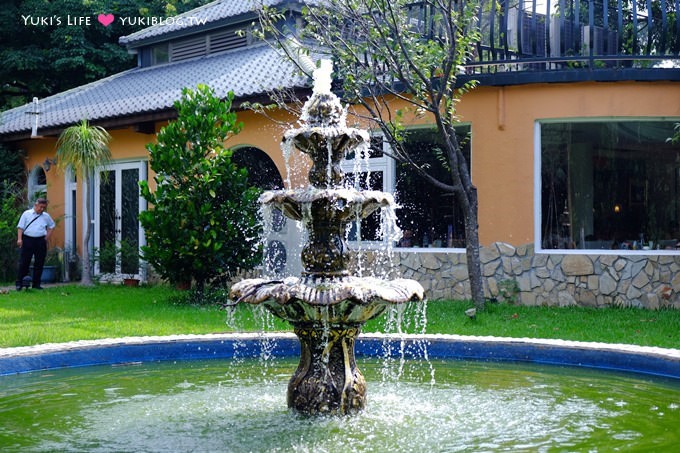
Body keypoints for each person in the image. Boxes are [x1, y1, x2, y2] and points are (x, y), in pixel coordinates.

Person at [16, 198, 56, 290]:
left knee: (39, 262)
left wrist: (46, 237)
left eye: (44, 208)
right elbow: (20, 227)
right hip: (27, 239)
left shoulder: (46, 216)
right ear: (36, 205)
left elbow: (52, 226)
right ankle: (20, 283)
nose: (42, 209)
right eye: (40, 207)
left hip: (40, 240)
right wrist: (19, 239)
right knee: (24, 262)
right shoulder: (27, 214)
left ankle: (36, 284)